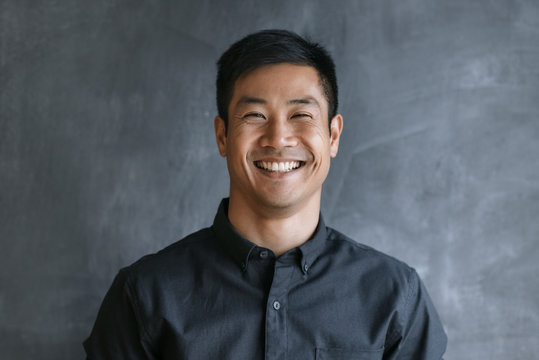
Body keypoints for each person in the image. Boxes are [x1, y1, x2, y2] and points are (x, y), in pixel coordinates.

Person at [84, 29, 447, 359]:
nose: (278, 139)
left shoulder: (395, 297)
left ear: (333, 136)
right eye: (255, 115)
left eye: (301, 115)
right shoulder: (145, 295)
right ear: (223, 136)